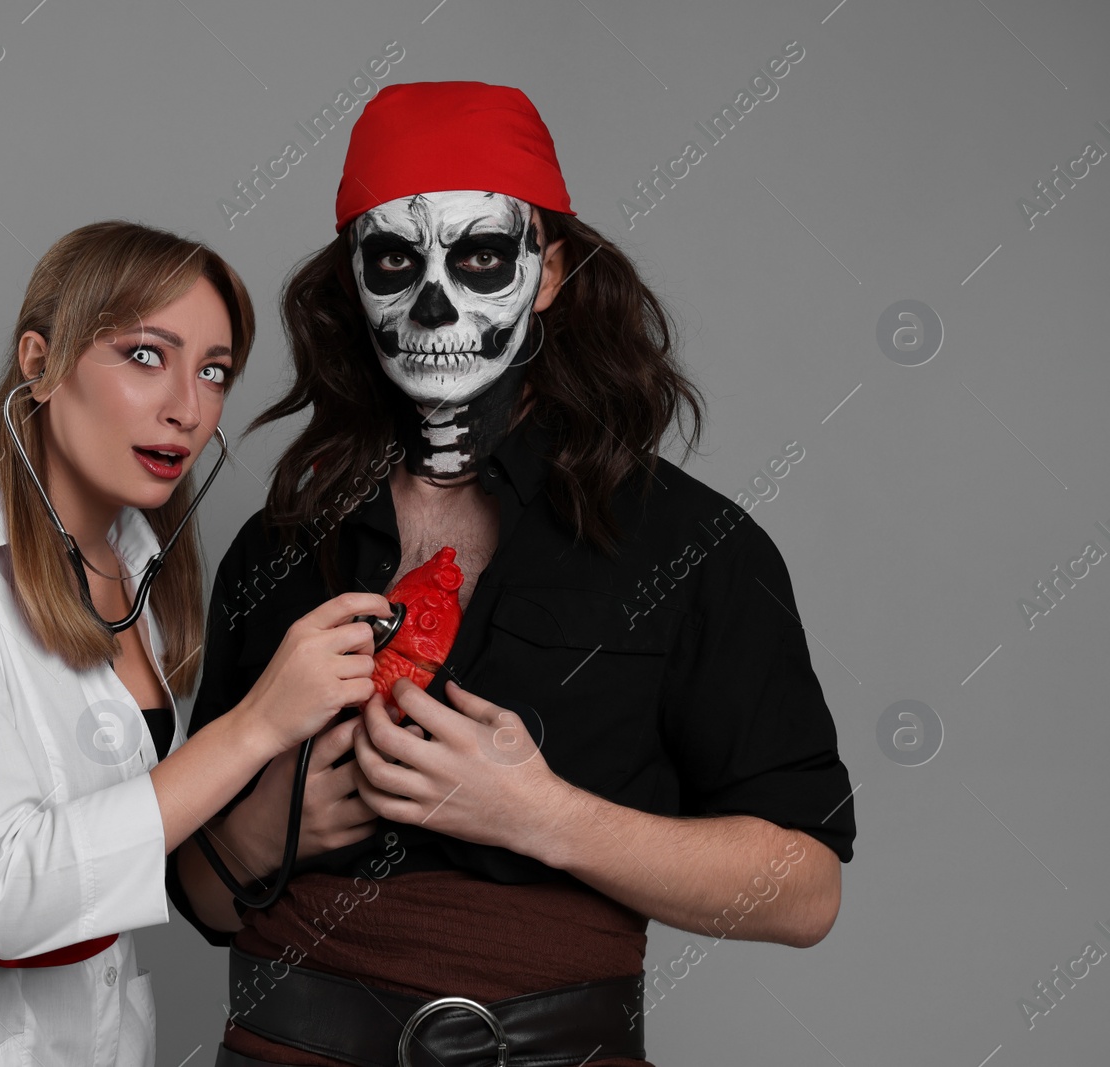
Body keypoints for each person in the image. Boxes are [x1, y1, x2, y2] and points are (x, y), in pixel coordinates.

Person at [168, 82, 857, 1067]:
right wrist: (254, 834)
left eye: (483, 255)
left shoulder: (694, 546)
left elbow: (804, 889)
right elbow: (193, 884)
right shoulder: (279, 546)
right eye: (394, 261)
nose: (435, 300)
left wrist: (541, 815)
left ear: (547, 273)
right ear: (353, 285)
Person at [0, 220, 394, 1067]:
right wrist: (256, 726)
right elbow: (12, 895)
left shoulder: (144, 577)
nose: (188, 406)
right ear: (40, 363)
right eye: (146, 355)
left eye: (214, 370)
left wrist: (288, 810)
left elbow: (131, 834)